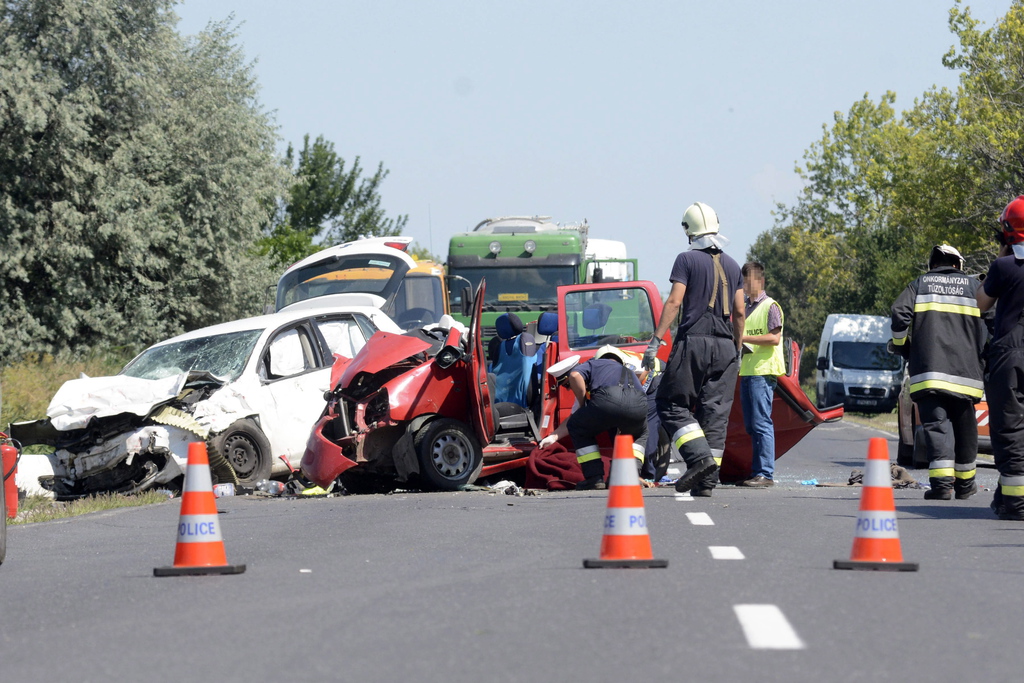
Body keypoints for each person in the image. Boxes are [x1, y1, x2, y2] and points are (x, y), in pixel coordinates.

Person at [643, 202, 745, 497]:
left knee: (670, 403)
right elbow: (739, 311)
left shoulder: (685, 260)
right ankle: (707, 483)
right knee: (715, 414)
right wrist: (737, 349)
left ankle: (699, 460)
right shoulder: (733, 265)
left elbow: (675, 301)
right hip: (726, 347)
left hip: (694, 342)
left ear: (689, 230)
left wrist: (655, 341)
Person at [892, 245, 986, 501]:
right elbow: (994, 319)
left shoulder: (919, 285)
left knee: (937, 428)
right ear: (957, 265)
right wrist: (985, 353)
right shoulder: (973, 286)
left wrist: (902, 346)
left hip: (929, 375)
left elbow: (899, 313)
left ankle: (942, 487)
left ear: (933, 265)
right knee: (966, 430)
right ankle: (965, 486)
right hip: (966, 376)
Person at [977, 196, 1024, 520]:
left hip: (1012, 354)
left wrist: (1001, 256)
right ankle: (1004, 496)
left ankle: (1016, 504)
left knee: (1010, 431)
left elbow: (981, 303)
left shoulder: (1005, 267)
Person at [541, 351, 649, 490]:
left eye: (568, 385)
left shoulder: (589, 365)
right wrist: (553, 437)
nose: (570, 389)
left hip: (609, 399)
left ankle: (594, 478)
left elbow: (575, 376)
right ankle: (629, 476)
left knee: (578, 427)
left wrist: (582, 404)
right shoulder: (618, 369)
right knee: (640, 433)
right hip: (639, 403)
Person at [737, 262, 784, 488]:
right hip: (748, 370)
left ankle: (765, 473)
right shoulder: (746, 307)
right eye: (743, 283)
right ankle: (757, 472)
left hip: (763, 371)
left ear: (760, 281)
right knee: (752, 425)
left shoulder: (770, 306)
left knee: (761, 423)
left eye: (749, 282)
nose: (745, 287)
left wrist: (743, 338)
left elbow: (774, 338)